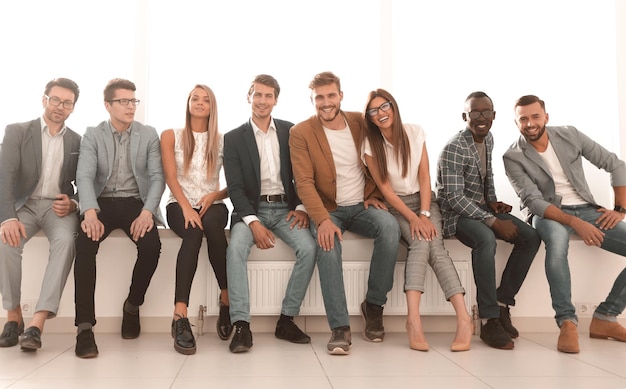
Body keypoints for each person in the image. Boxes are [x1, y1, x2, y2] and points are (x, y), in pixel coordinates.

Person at [503, 95, 626, 354]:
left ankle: (606, 317)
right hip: (548, 214)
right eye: (523, 118)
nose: (530, 123)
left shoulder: (570, 135)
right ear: (516, 123)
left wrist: (620, 209)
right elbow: (533, 201)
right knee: (557, 247)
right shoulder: (512, 156)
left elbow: (615, 165)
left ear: (546, 116)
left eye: (535, 116)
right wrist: (575, 223)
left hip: (586, 208)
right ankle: (567, 322)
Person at [290, 72, 400, 355]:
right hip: (329, 209)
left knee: (390, 227)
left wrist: (374, 193)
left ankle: (373, 306)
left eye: (330, 95)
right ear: (312, 100)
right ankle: (339, 327)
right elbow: (303, 182)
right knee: (327, 246)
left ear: (340, 95)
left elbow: (380, 155)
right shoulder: (300, 133)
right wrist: (323, 220)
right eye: (319, 98)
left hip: (361, 205)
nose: (325, 103)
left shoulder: (360, 122)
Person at [362, 89, 473, 352]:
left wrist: (424, 214)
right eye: (374, 111)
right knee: (422, 243)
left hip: (425, 201)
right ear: (369, 117)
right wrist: (413, 219)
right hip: (397, 207)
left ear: (394, 106)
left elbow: (425, 177)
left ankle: (464, 319)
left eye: (384, 106)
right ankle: (413, 321)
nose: (381, 113)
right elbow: (386, 190)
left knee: (434, 243)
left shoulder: (414, 132)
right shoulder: (369, 145)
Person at [436, 91, 540, 350]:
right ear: (465, 116)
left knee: (531, 237)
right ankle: (488, 320)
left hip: (481, 207)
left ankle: (503, 303)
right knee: (485, 239)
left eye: (486, 112)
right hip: (456, 215)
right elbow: (454, 198)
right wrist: (492, 221)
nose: (481, 118)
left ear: (493, 115)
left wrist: (492, 202)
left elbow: (487, 175)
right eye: (475, 113)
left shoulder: (488, 138)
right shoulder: (453, 148)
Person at [223, 74, 317, 353]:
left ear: (276, 100)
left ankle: (286, 320)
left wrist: (301, 208)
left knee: (309, 248)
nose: (262, 101)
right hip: (251, 211)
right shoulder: (233, 138)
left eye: (268, 96)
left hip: (287, 209)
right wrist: (252, 222)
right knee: (236, 247)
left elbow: (304, 174)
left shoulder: (292, 131)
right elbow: (236, 188)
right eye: (257, 94)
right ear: (248, 97)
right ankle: (241, 325)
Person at [73, 78, 165, 359]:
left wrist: (147, 211)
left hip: (135, 203)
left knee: (152, 246)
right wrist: (89, 210)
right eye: (124, 101)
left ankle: (133, 305)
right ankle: (85, 329)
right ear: (108, 105)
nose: (130, 106)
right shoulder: (93, 134)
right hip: (100, 203)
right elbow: (85, 176)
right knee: (85, 246)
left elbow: (158, 177)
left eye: (133, 101)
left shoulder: (148, 134)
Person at [0, 78, 81, 352]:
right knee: (6, 241)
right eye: (55, 99)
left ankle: (37, 323)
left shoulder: (77, 141)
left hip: (57, 208)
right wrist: (8, 217)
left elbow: (88, 183)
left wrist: (73, 203)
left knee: (67, 242)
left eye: (66, 102)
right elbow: (4, 178)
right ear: (44, 99)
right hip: (24, 206)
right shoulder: (17, 132)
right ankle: (13, 316)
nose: (60, 106)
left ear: (72, 108)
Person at [161, 84, 231, 355]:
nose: (200, 103)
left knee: (212, 226)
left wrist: (215, 194)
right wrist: (186, 208)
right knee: (192, 230)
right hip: (178, 204)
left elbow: (233, 185)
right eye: (195, 98)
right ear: (188, 103)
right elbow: (170, 177)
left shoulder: (223, 140)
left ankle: (226, 300)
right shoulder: (171, 136)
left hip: (212, 204)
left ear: (212, 106)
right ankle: (180, 315)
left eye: (205, 100)